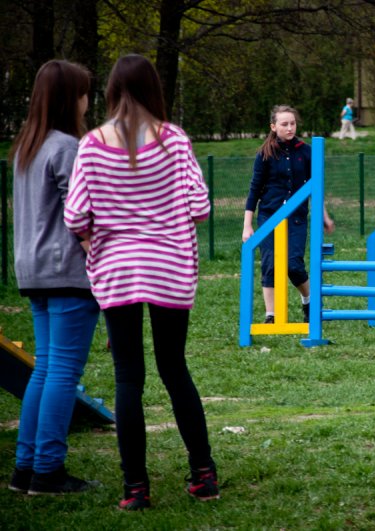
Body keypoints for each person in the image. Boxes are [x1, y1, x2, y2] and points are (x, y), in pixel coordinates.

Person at [64, 54, 218, 510]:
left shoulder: (92, 144)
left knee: (128, 377)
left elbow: (75, 215)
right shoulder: (174, 141)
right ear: (155, 89)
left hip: (116, 271)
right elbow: (200, 206)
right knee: (174, 368)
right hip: (169, 267)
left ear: (111, 91)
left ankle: (135, 488)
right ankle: (204, 476)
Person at [7, 60, 100, 496]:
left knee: (45, 369)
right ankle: (47, 470)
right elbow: (83, 215)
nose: (87, 102)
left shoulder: (28, 145)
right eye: (84, 93)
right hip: (66, 272)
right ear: (69, 99)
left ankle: (26, 468)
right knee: (63, 372)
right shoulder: (67, 147)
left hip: (33, 271)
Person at [242, 105, 334, 324]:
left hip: (296, 217)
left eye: (292, 123)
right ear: (273, 127)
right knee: (270, 264)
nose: (290, 127)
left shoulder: (306, 151)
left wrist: (324, 216)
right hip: (269, 216)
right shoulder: (265, 154)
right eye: (284, 124)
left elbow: (316, 188)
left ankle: (308, 302)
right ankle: (271, 315)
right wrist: (247, 224)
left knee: (294, 265)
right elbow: (255, 189)